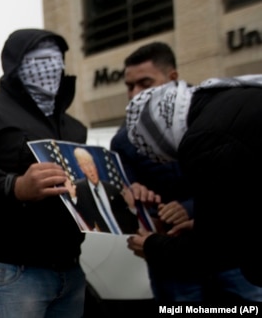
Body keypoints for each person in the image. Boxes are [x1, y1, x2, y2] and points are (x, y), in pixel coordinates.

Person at [0, 28, 88, 317]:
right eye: (38, 58)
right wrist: (15, 187)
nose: (50, 66)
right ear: (15, 65)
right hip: (12, 271)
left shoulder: (74, 127)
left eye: (56, 58)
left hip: (71, 270)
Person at [125, 75, 262, 301]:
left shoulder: (204, 138)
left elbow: (214, 247)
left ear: (159, 133)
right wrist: (205, 223)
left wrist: (152, 246)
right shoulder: (226, 100)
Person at [111, 42, 205, 301]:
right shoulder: (123, 140)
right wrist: (131, 192)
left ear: (172, 78)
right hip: (171, 260)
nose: (135, 93)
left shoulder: (205, 120)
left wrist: (189, 207)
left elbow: (236, 184)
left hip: (230, 254)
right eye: (130, 86)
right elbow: (125, 193)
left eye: (145, 83)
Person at [70, 147, 138, 234]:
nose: (90, 170)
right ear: (82, 169)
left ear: (95, 166)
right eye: (85, 166)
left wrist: (132, 207)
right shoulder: (78, 190)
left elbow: (131, 224)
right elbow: (78, 217)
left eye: (91, 164)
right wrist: (73, 198)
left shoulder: (112, 189)